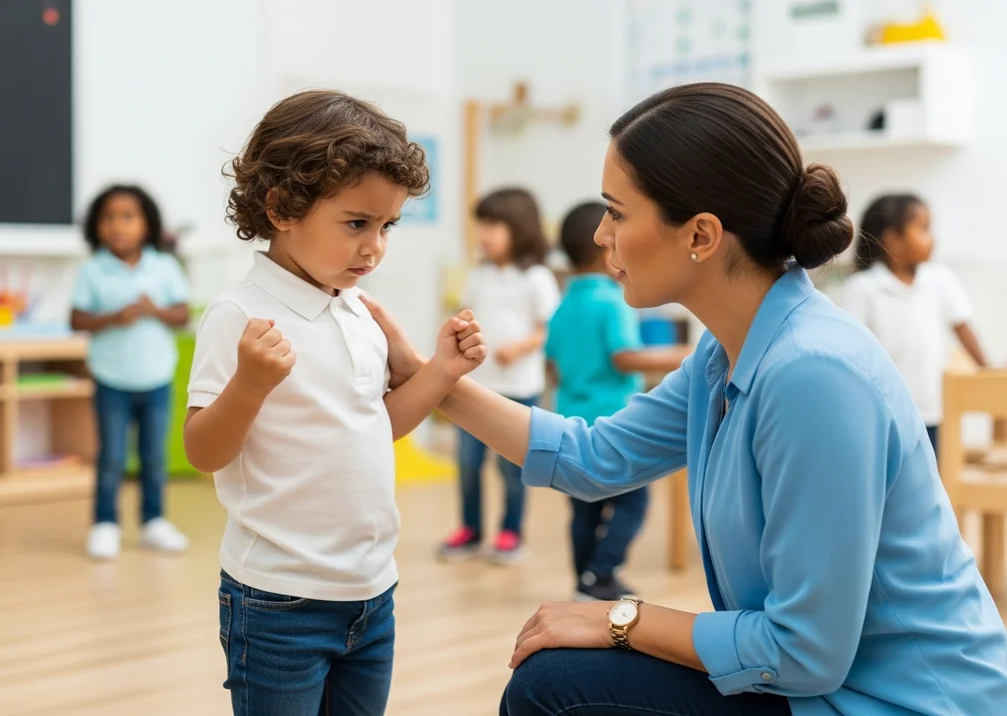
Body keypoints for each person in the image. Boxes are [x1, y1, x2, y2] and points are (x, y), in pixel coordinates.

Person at [361, 83, 1007, 716]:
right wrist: (431, 378)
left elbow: (805, 653)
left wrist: (622, 617)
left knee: (554, 685)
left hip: (899, 701)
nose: (599, 237)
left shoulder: (813, 375)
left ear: (700, 235)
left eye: (616, 212)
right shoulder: (727, 350)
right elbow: (594, 457)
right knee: (554, 676)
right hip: (820, 687)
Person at [183, 90, 486, 716]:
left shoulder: (357, 312)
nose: (374, 248)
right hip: (278, 602)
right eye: (356, 224)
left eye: (387, 226)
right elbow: (202, 451)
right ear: (282, 207)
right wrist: (248, 386)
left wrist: (443, 372)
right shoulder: (238, 316)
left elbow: (373, 427)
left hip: (373, 593)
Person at [549, 201, 689, 601]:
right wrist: (684, 354)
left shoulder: (562, 305)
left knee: (582, 510)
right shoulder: (611, 300)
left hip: (570, 420)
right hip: (614, 422)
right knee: (633, 502)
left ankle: (585, 580)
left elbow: (553, 365)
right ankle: (600, 573)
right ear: (603, 250)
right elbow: (624, 356)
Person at [438, 188, 560, 565]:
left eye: (492, 226)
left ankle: (511, 532)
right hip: (475, 385)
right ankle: (471, 530)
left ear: (519, 228)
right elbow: (467, 316)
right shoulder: (479, 275)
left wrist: (519, 347)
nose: (483, 236)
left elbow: (548, 329)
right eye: (481, 226)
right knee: (468, 465)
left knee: (513, 469)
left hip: (518, 388)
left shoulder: (537, 277)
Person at [71, 185, 190, 560]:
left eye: (127, 216)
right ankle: (105, 523)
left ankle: (154, 521)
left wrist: (155, 311)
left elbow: (182, 315)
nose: (117, 225)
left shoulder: (165, 267)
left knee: (153, 456)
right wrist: (113, 318)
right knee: (112, 458)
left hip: (156, 378)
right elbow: (77, 319)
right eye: (108, 217)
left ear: (146, 224)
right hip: (112, 380)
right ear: (97, 226)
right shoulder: (93, 270)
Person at [842, 194, 988, 457]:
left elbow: (964, 330)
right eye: (922, 229)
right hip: (886, 414)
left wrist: (987, 371)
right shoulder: (863, 288)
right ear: (893, 240)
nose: (932, 238)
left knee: (936, 482)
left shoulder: (941, 280)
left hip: (936, 412)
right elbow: (851, 351)